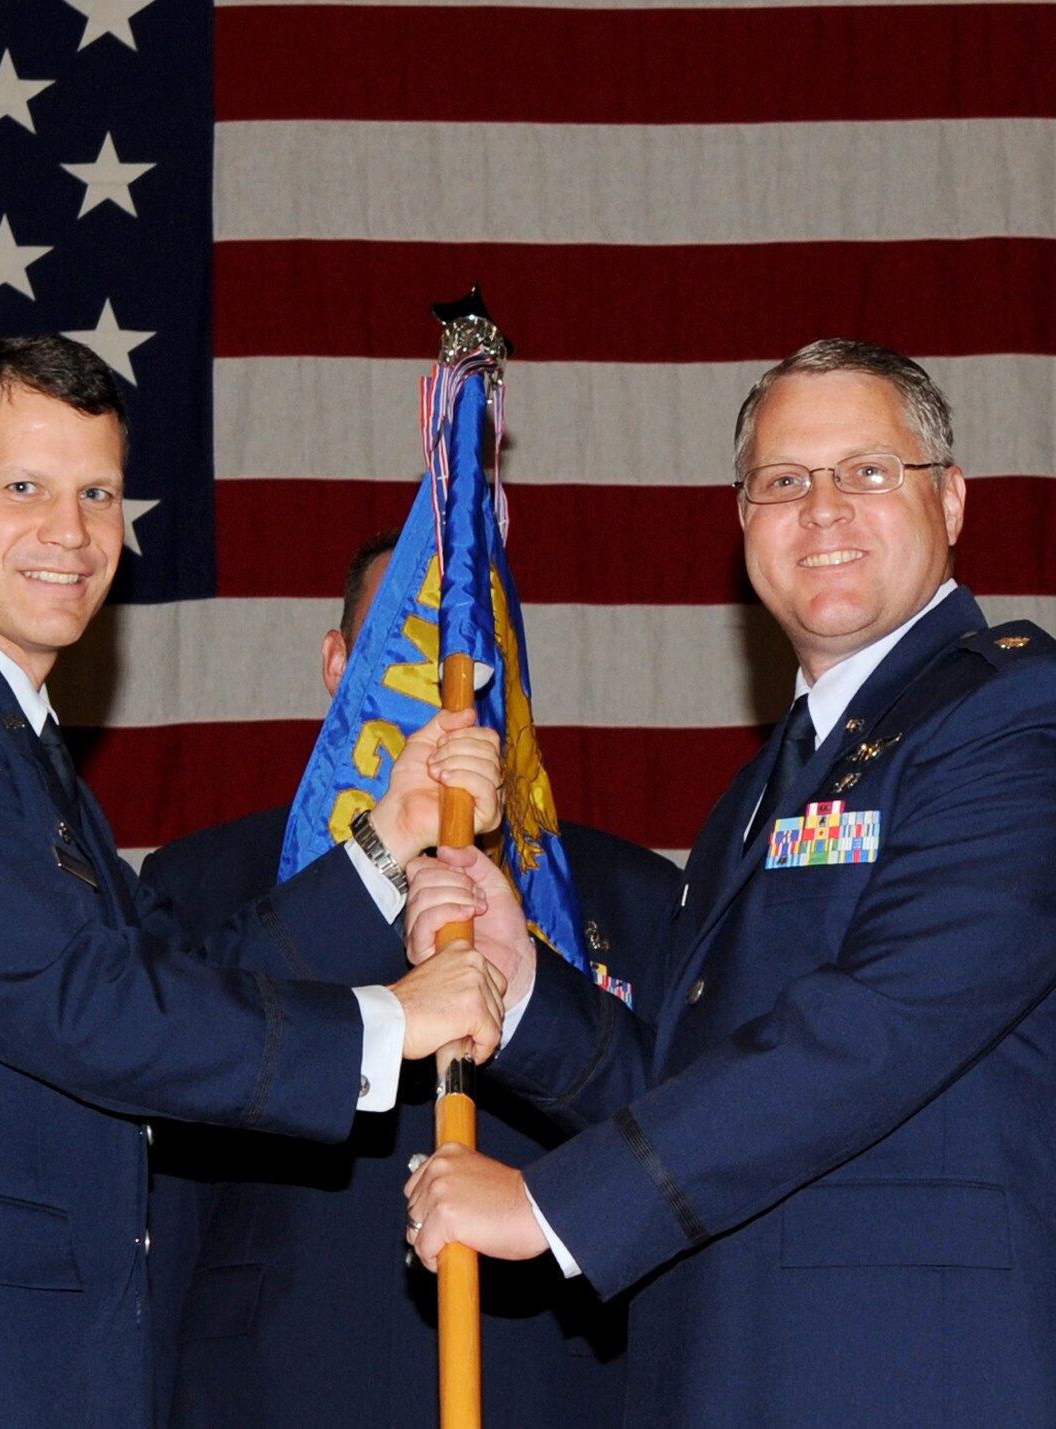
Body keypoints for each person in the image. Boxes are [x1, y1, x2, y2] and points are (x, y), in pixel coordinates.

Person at [0, 336, 509, 1429]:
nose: (70, 532)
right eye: (24, 488)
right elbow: (80, 1002)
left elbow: (170, 980)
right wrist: (386, 1023)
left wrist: (386, 836)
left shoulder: (9, 747)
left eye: (97, 493)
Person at [404, 340, 1056, 1424]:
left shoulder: (1019, 717)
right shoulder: (760, 791)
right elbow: (695, 1084)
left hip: (932, 1377)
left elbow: (874, 1030)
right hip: (742, 1370)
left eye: (865, 471)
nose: (822, 509)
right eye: (783, 481)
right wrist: (523, 992)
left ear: (948, 500)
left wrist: (555, 1206)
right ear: (743, 522)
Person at [139, 531, 681, 1428]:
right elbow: (166, 1156)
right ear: (338, 663)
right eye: (405, 652)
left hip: (547, 1387)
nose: (444, 688)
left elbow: (673, 1159)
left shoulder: (633, 897)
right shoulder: (206, 881)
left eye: (473, 655)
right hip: (274, 1385)